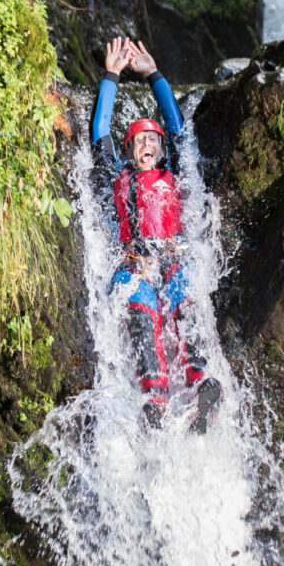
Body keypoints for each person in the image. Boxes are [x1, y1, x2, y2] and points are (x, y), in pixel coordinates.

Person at [91, 37, 221, 432]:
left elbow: (176, 125)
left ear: (162, 150)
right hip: (135, 264)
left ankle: (200, 388)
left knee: (186, 306)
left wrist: (153, 75)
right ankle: (155, 402)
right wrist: (111, 75)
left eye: (153, 139)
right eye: (139, 140)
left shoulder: (174, 172)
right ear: (128, 151)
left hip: (174, 258)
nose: (147, 143)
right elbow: (100, 130)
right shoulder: (117, 176)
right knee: (142, 319)